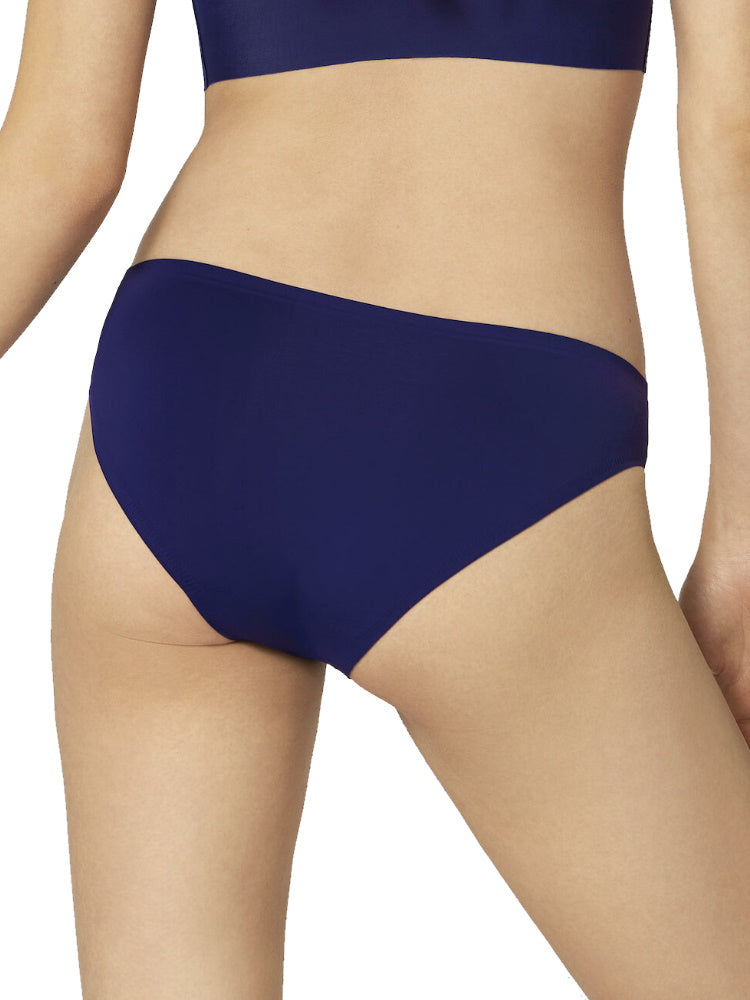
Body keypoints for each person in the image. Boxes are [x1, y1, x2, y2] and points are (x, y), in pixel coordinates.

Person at [2, 0, 750, 996]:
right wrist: (740, 538)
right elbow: (736, 131)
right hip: (485, 417)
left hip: (188, 390)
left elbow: (61, 156)